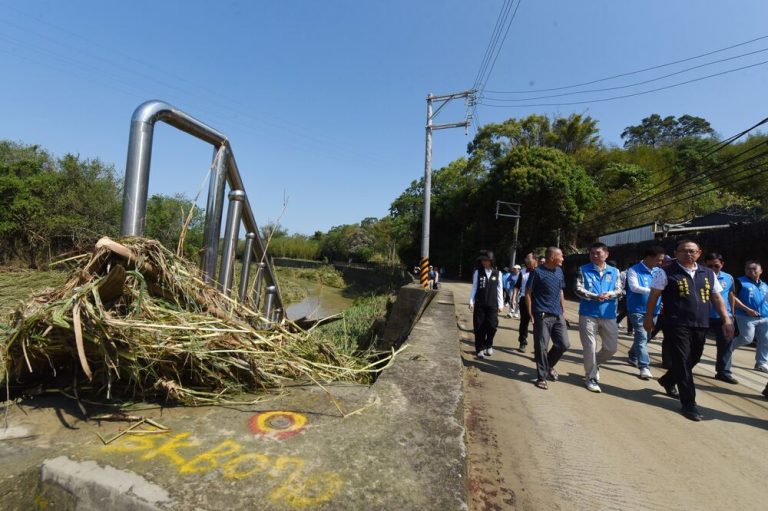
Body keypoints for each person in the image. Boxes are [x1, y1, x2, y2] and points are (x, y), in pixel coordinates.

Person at [644, 240, 733, 422]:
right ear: (676, 252)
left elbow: (716, 297)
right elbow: (654, 296)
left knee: (695, 357)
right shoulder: (666, 271)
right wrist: (648, 317)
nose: (688, 254)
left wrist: (726, 319)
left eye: (692, 251)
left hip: (700, 323)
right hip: (676, 323)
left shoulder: (707, 273)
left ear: (699, 253)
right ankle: (689, 404)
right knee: (683, 361)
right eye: (684, 251)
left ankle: (668, 380)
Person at [575, 243, 622, 393]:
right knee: (589, 346)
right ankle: (591, 377)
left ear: (606, 254)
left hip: (609, 314)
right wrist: (595, 296)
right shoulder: (583, 269)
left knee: (611, 348)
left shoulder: (615, 271)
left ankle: (594, 363)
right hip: (588, 314)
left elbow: (619, 290)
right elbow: (578, 289)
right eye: (592, 253)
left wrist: (609, 295)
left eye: (598, 253)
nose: (595, 256)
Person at [526, 247, 570, 390]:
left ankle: (549, 365)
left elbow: (560, 291)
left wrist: (563, 310)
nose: (563, 258)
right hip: (542, 314)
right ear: (552, 257)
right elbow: (528, 293)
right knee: (541, 346)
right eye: (561, 256)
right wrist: (530, 313)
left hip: (557, 314)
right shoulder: (537, 272)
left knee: (563, 344)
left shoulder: (559, 271)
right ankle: (541, 377)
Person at [626, 246, 666, 380]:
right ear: (649, 257)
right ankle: (644, 367)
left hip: (654, 310)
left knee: (645, 336)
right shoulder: (633, 270)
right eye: (658, 260)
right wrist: (654, 290)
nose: (660, 263)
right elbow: (634, 287)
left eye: (662, 260)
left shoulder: (659, 271)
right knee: (642, 336)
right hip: (637, 310)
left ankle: (632, 355)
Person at [703, 253, 739, 384]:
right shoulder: (700, 276)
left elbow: (731, 295)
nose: (713, 268)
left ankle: (724, 372)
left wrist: (732, 315)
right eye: (710, 266)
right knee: (696, 344)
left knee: (726, 345)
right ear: (705, 264)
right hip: (703, 316)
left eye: (716, 266)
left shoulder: (729, 278)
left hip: (724, 317)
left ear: (722, 265)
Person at [729, 260, 768, 373]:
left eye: (754, 269)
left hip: (765, 317)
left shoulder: (764, 285)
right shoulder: (739, 282)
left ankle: (761, 363)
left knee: (765, 340)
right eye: (748, 269)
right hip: (745, 316)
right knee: (746, 338)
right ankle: (726, 350)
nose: (750, 271)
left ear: (760, 271)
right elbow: (732, 297)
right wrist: (747, 309)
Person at [469, 251, 504, 359]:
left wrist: (501, 303)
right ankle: (479, 349)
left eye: (486, 260)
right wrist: (471, 301)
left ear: (491, 261)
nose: (484, 262)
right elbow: (474, 287)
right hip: (480, 304)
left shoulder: (498, 273)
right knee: (479, 327)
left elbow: (499, 289)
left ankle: (489, 344)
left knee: (492, 326)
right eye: (482, 260)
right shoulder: (478, 272)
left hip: (493, 305)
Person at [512, 254, 537, 351]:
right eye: (526, 258)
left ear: (535, 260)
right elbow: (517, 286)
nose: (526, 260)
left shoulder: (540, 272)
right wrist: (514, 297)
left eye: (528, 258)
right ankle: (522, 342)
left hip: (537, 301)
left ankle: (538, 347)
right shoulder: (522, 272)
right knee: (524, 322)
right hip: (524, 299)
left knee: (538, 324)